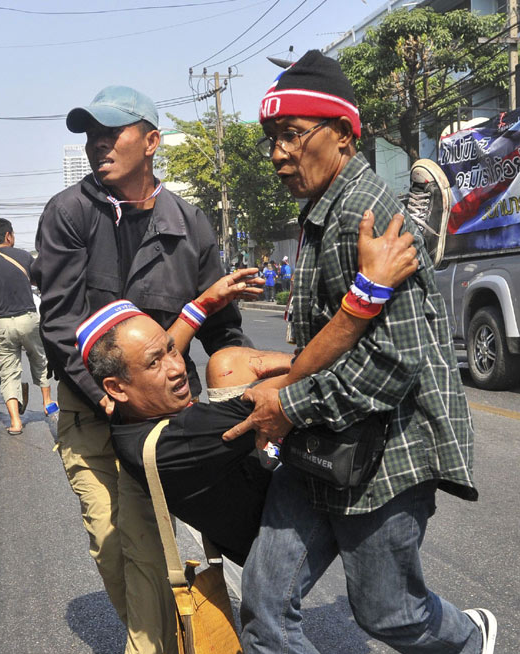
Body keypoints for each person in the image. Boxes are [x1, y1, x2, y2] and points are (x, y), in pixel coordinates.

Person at [197, 50, 497, 654]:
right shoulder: (323, 213)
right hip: (323, 447)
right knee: (268, 593)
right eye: (273, 139)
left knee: (385, 611)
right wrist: (277, 378)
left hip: (388, 453)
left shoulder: (373, 217)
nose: (277, 154)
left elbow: (392, 365)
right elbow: (337, 337)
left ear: (342, 133)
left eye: (293, 135)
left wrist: (285, 404)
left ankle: (467, 642)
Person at [32, 84, 260, 654]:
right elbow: (61, 323)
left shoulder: (190, 223)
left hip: (161, 419)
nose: (97, 144)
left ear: (151, 142)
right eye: (90, 134)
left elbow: (225, 328)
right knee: (109, 539)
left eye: (112, 132)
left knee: (145, 540)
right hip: (89, 408)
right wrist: (103, 391)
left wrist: (241, 394)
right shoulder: (68, 214)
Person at [77, 210, 417, 568]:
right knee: (299, 389)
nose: (178, 368)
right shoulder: (177, 439)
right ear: (117, 387)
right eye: (155, 363)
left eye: (171, 350)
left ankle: (328, 350)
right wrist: (368, 293)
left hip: (255, 474)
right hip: (282, 521)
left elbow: (158, 350)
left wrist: (204, 303)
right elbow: (293, 383)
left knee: (225, 364)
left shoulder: (125, 411)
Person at [0, 218, 54, 435]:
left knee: (7, 372)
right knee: (39, 359)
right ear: (9, 236)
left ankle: (16, 422)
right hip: (27, 319)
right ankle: (47, 402)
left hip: (1, 324)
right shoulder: (24, 257)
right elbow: (38, 282)